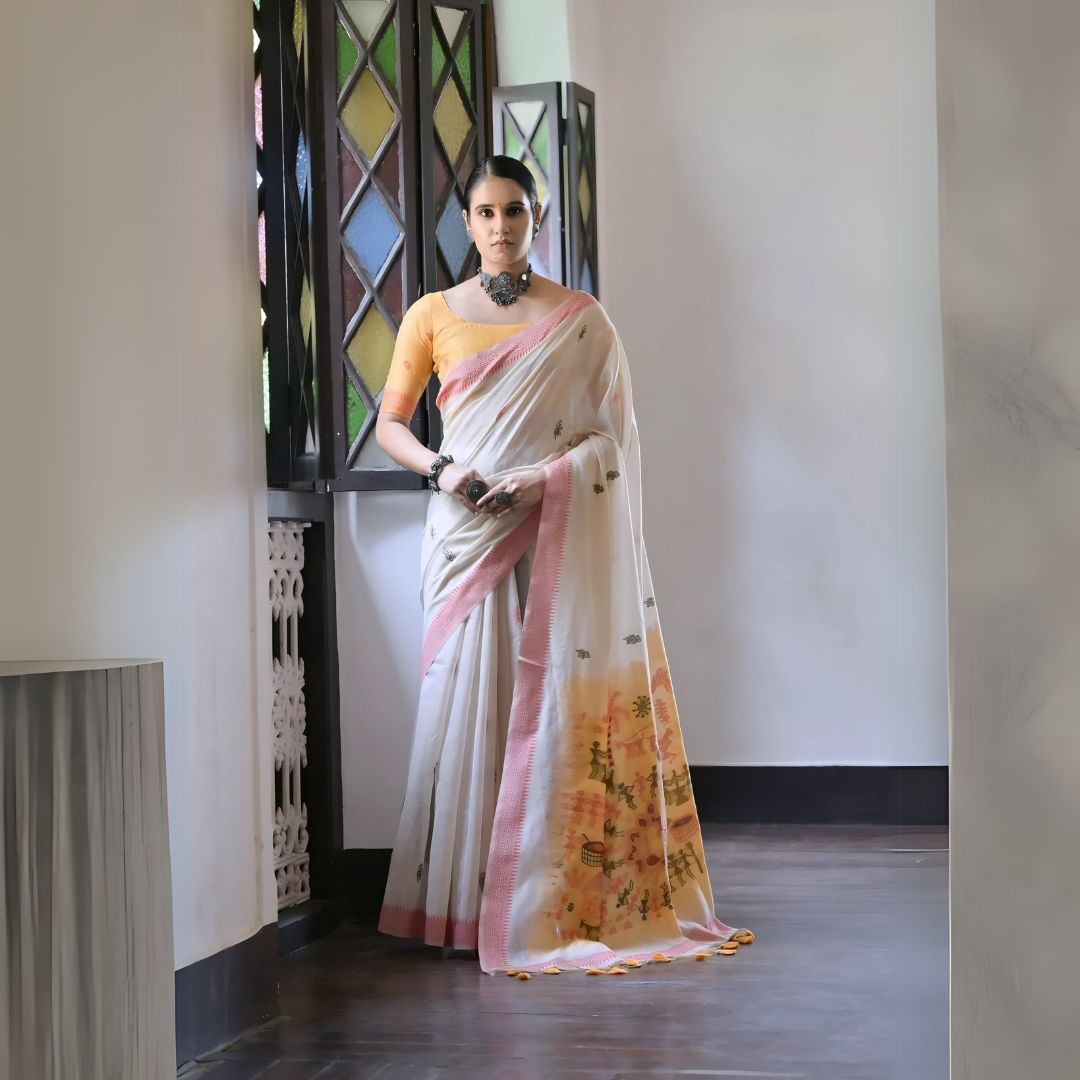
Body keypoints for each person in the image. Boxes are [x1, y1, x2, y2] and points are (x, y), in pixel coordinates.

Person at [374, 155, 753, 976]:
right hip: (464, 530)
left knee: (541, 706)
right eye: (485, 212)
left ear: (535, 218)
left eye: (515, 210)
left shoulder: (581, 319)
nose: (501, 226)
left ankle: (546, 897)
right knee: (466, 709)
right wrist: (447, 472)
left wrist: (541, 480)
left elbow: (611, 443)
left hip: (549, 525)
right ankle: (459, 906)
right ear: (465, 221)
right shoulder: (431, 315)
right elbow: (391, 425)